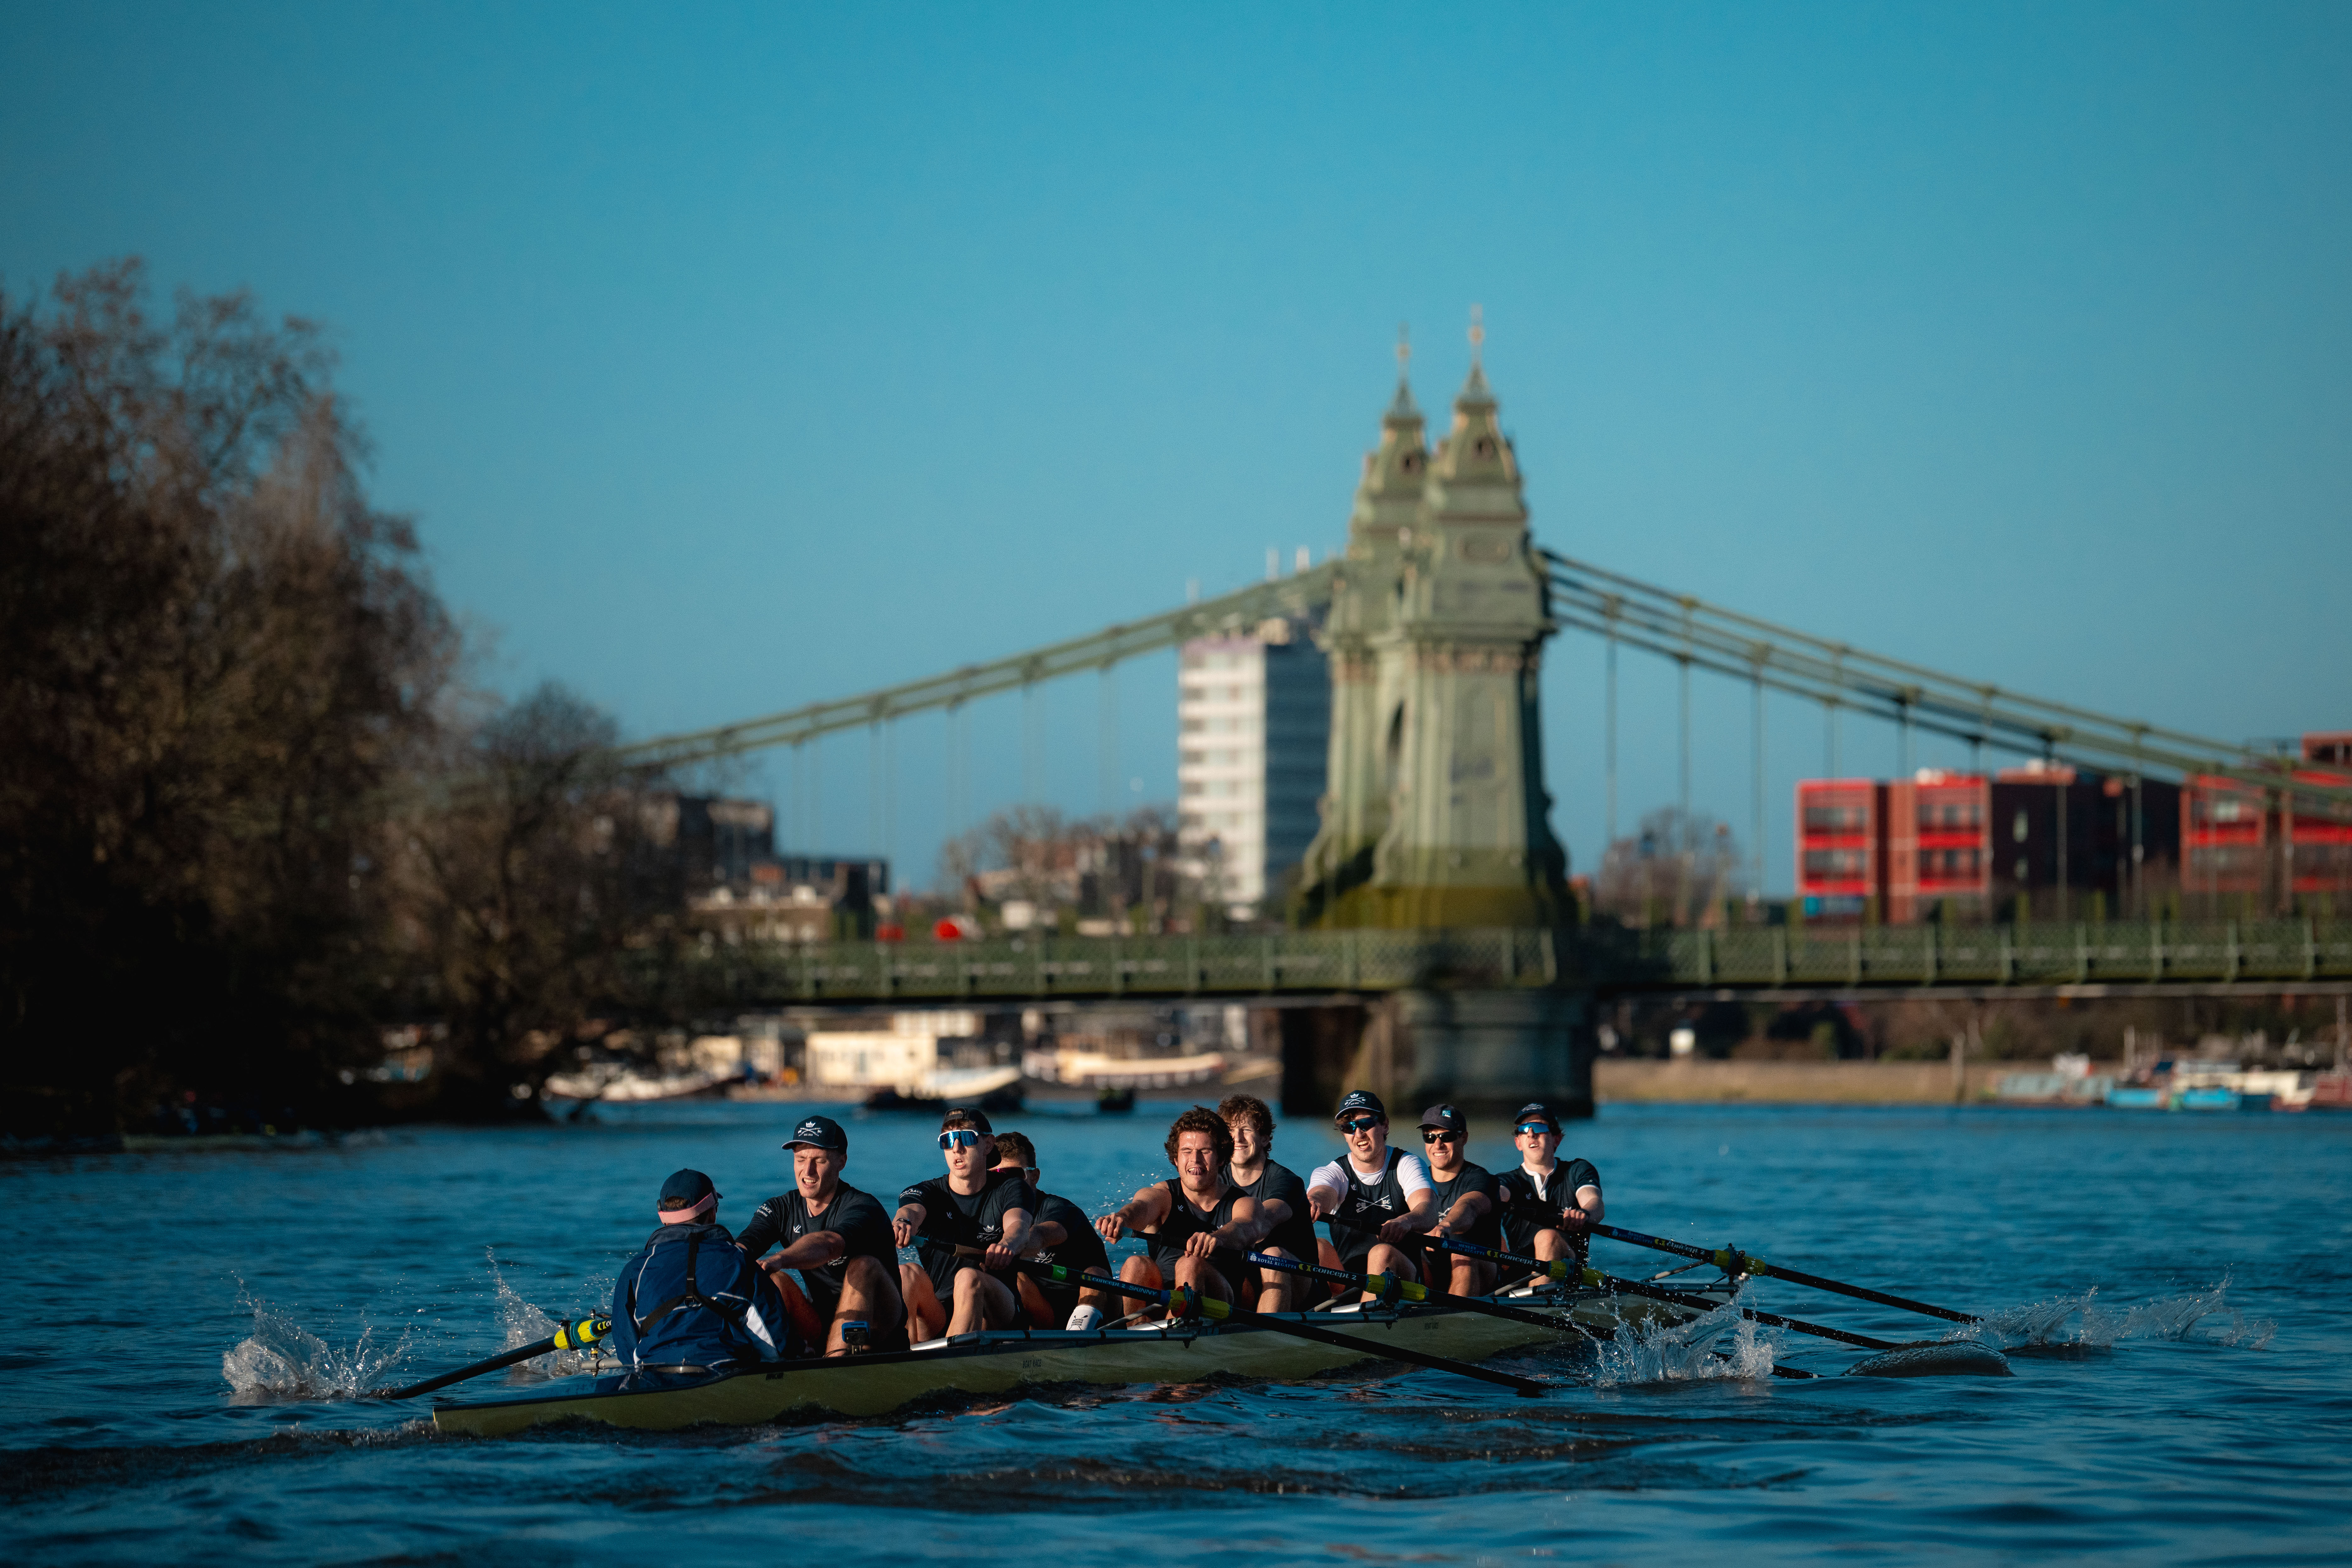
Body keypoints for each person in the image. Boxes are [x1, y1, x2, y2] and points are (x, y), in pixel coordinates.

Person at [735, 1114, 907, 1356]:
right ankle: (764, 1356)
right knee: (773, 1279)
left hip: (882, 1325)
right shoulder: (780, 1208)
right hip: (819, 1322)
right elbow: (741, 1248)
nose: (808, 1171)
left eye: (820, 1160)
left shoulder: (863, 1207)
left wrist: (780, 1258)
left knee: (863, 1265)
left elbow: (829, 1245)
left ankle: (836, 1364)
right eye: (801, 1159)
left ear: (841, 1161)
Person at [608, 1169, 796, 1375]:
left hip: (655, 1378)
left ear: (662, 1216)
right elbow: (775, 1344)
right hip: (726, 1374)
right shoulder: (739, 1261)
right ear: (713, 1211)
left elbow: (628, 1352)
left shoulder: (635, 1270)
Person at [1092, 1106, 1268, 1319]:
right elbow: (1141, 1208)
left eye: (1205, 1151)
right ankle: (1137, 1334)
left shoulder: (1244, 1202)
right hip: (1164, 1300)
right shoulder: (1163, 1195)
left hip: (1219, 1303)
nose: (1195, 1160)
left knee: (1190, 1262)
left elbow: (1246, 1226)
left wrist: (1217, 1238)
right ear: (1176, 1159)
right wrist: (1122, 1218)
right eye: (1186, 1151)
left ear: (1221, 1158)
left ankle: (1176, 1333)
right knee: (1135, 1264)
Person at [893, 1107, 1037, 1340]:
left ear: (988, 1144)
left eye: (967, 1137)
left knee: (968, 1278)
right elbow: (910, 1210)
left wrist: (1008, 1244)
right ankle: (900, 1360)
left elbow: (1018, 1226)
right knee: (906, 1272)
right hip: (940, 1313)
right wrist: (902, 1222)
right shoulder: (926, 1192)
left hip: (999, 1311)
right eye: (948, 1140)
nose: (956, 1148)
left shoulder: (1011, 1188)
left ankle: (945, 1368)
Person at [1303, 1090, 1436, 1300]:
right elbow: (1321, 1193)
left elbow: (1427, 1211)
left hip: (1404, 1280)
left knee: (1380, 1253)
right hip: (1349, 1281)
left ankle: (1362, 1323)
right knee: (1315, 1247)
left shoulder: (1407, 1164)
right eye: (1349, 1127)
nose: (1359, 1134)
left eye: (1366, 1124)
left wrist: (1405, 1221)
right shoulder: (1333, 1172)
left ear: (1385, 1125)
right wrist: (1314, 1202)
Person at [989, 1129, 1115, 1330]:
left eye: (1015, 1175)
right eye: (997, 1175)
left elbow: (1040, 1236)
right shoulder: (990, 1216)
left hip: (1099, 1311)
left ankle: (1077, 1338)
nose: (1007, 1184)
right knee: (1001, 1277)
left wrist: (1011, 1244)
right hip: (1044, 1315)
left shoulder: (1061, 1210)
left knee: (1094, 1274)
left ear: (1034, 1176)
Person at [1218, 1092, 1323, 1312]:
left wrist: (1214, 1238)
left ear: (1264, 1138)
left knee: (1272, 1255)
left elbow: (1261, 1222)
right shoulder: (1217, 1181)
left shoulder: (1287, 1182)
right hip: (1249, 1281)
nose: (1237, 1138)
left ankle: (1264, 1340)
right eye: (1231, 1131)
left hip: (1301, 1287)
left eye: (1246, 1130)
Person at [1494, 1101, 1604, 1274]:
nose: (1531, 1135)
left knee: (1547, 1237)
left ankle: (1539, 1295)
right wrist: (1504, 1260)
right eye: (1525, 1130)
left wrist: (1585, 1215)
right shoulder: (1508, 1181)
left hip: (1570, 1273)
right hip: (1519, 1278)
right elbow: (1491, 1200)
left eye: (1538, 1128)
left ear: (1557, 1139)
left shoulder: (1577, 1170)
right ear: (1519, 1143)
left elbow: (1594, 1201)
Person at [1414, 1103, 1503, 1297]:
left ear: (1464, 1138)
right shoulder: (1416, 1182)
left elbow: (1468, 1207)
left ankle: (1455, 1323)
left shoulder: (1482, 1179)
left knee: (1463, 1254)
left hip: (1479, 1272)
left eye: (1447, 1137)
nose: (1438, 1145)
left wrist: (1445, 1226)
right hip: (1430, 1269)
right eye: (1430, 1137)